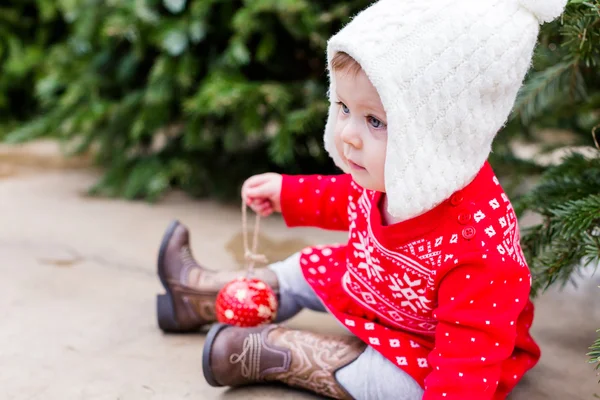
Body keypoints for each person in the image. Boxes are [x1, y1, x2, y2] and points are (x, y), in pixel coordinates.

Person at [155, 0, 568, 398]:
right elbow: (343, 197)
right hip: (376, 289)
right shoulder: (391, 173)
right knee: (306, 267)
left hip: (431, 350)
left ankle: (276, 352)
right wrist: (288, 193)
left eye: (374, 120)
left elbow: (470, 354)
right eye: (343, 107)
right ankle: (200, 296)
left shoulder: (478, 242)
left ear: (439, 137)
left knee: (392, 383)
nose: (348, 134)